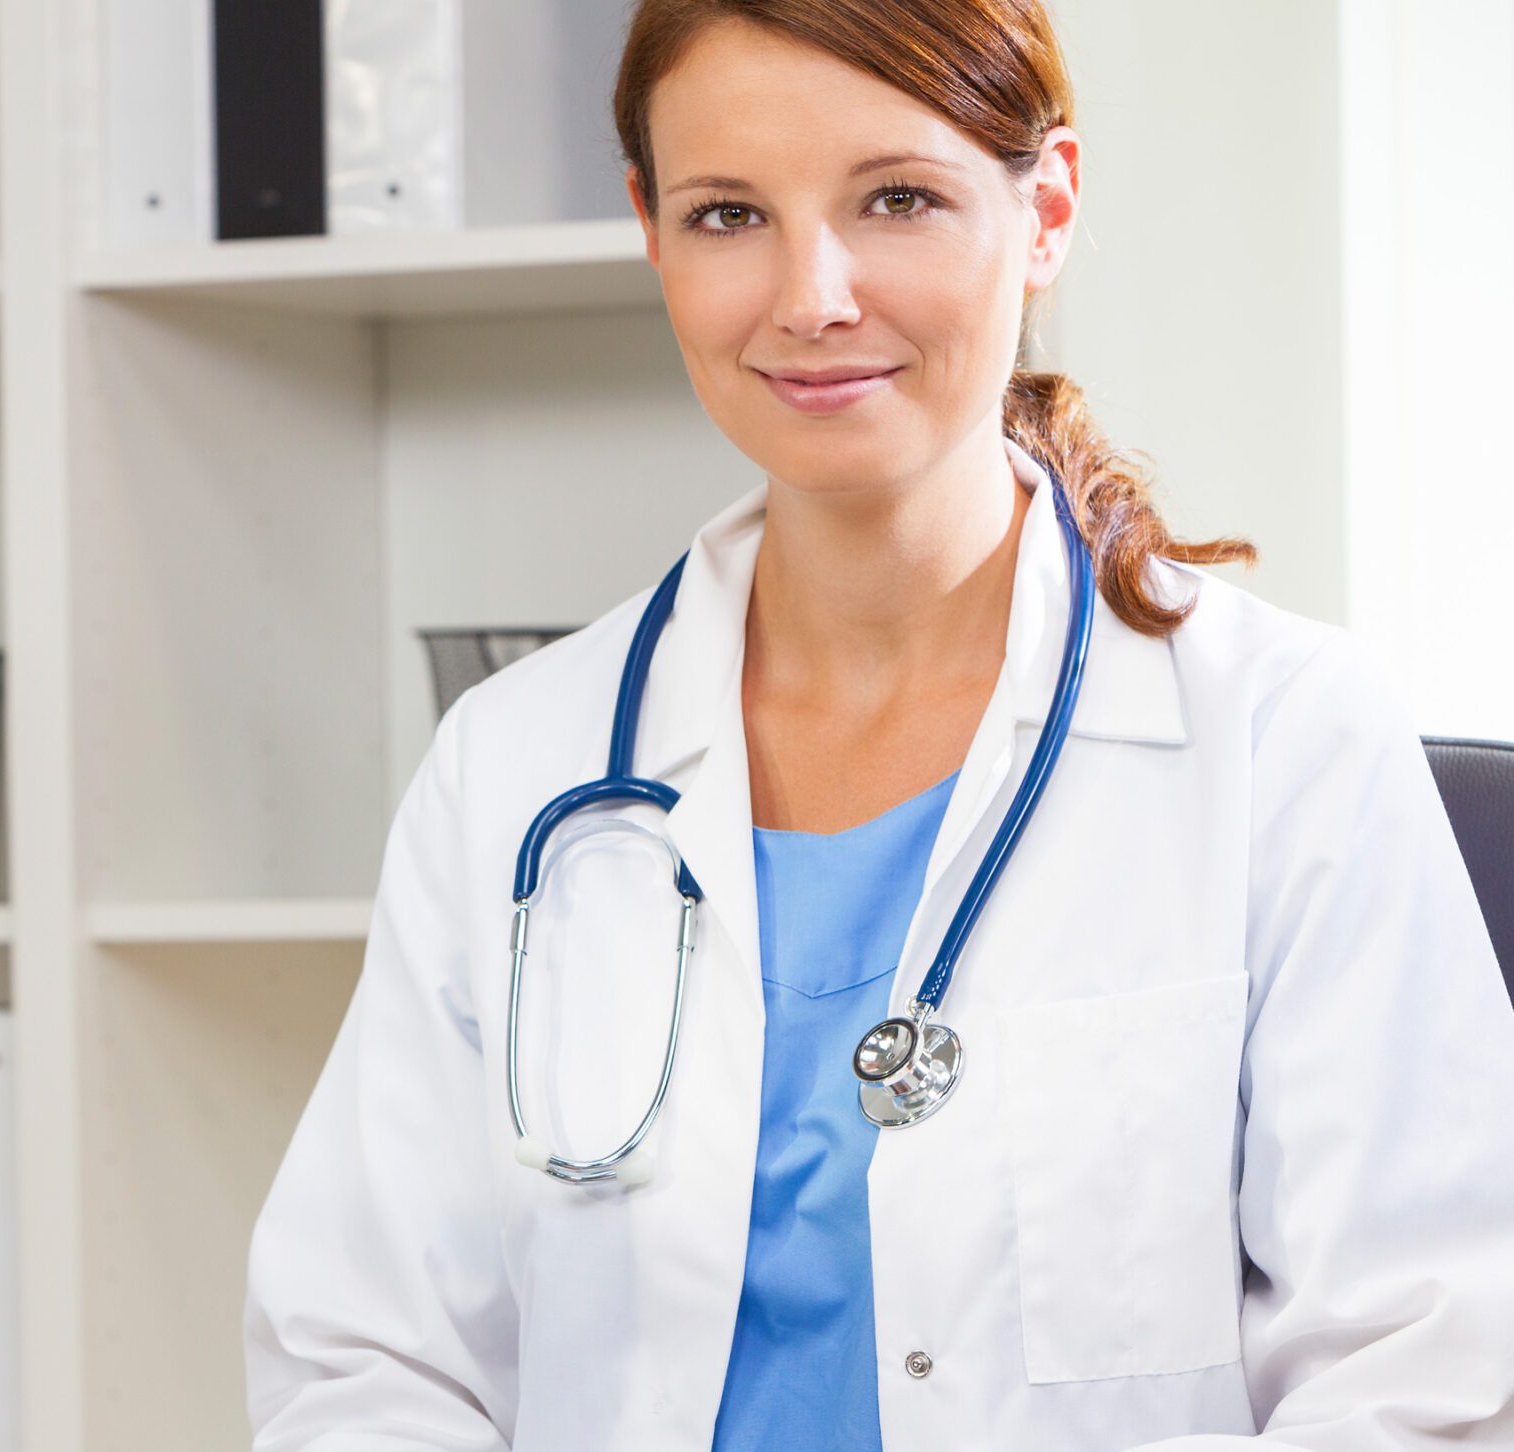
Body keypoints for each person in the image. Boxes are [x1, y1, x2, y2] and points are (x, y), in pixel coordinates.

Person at [240, 1, 1514, 1448]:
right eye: (729, 215)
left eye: (896, 199)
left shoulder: (1286, 743)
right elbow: (365, 1358)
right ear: (652, 233)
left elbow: (1420, 1370)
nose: (813, 295)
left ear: (1048, 209)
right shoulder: (515, 767)